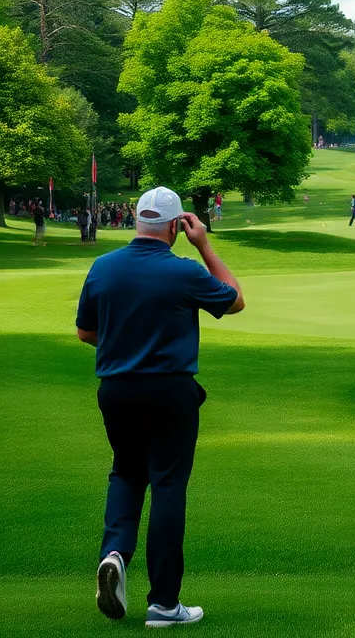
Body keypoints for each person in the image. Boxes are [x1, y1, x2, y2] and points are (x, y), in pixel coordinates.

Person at [76, 187, 245, 628]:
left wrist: (124, 344)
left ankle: (114, 554)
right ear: (174, 226)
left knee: (127, 472)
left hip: (116, 390)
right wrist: (204, 244)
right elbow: (235, 299)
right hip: (170, 391)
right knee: (168, 485)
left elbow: (85, 333)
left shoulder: (103, 267)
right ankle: (164, 605)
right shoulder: (183, 271)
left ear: (137, 221)